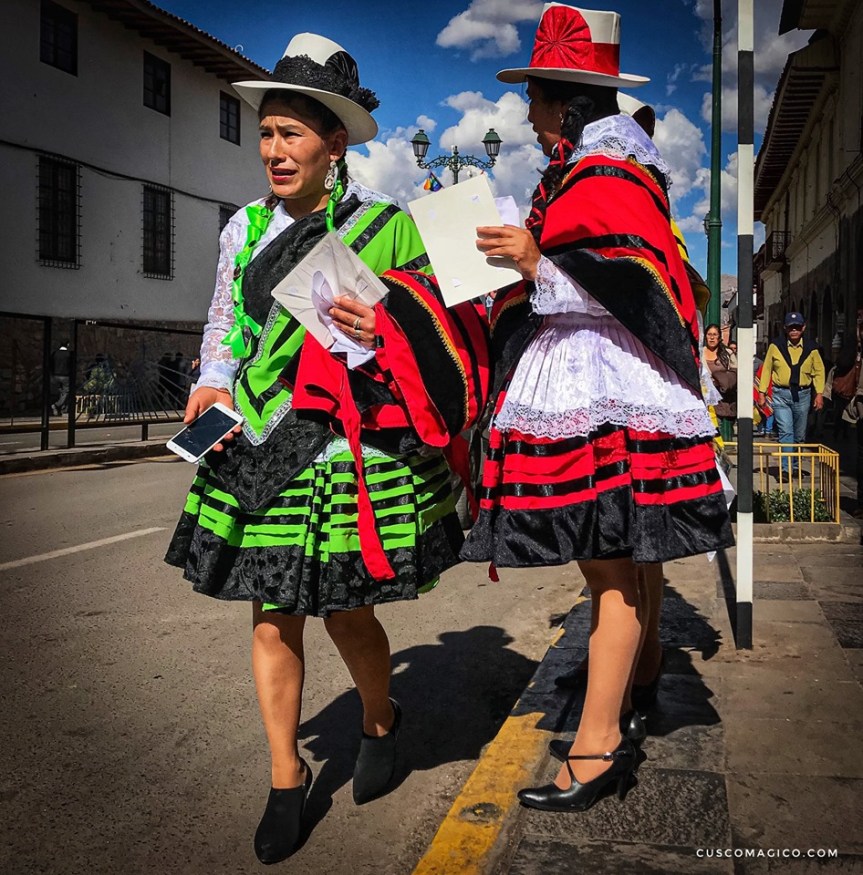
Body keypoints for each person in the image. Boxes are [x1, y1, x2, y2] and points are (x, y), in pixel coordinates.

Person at [164, 34, 487, 864]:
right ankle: (284, 775)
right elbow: (225, 325)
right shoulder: (244, 228)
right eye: (266, 133)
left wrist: (388, 323)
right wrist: (213, 381)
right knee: (272, 614)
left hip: (348, 445)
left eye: (291, 134)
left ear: (333, 143)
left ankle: (380, 719)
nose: (274, 150)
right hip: (263, 438)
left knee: (347, 613)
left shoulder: (386, 225)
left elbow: (449, 326)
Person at [460, 3, 733, 812]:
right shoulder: (611, 166)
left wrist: (533, 261)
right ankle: (637, 677)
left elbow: (622, 286)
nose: (527, 117)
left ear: (564, 104)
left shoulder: (603, 172)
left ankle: (597, 744)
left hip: (601, 380)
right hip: (617, 381)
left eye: (534, 101)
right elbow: (628, 273)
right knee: (631, 556)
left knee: (607, 567)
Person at [757, 311, 825, 473]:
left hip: (803, 395)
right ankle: (786, 469)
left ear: (803, 328)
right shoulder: (776, 346)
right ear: (785, 328)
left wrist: (819, 394)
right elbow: (767, 370)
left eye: (797, 327)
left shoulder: (812, 348)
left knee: (799, 435)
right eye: (791, 327)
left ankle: (794, 465)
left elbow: (819, 371)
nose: (794, 330)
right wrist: (762, 393)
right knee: (786, 432)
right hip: (780, 394)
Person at [703, 323, 738, 440]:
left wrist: (722, 380)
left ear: (719, 337)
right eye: (709, 334)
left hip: (725, 399)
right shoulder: (700, 352)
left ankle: (724, 448)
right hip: (706, 399)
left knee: (721, 431)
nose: (712, 338)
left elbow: (735, 372)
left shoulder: (728, 353)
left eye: (715, 334)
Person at [50, 343, 70, 416]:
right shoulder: (69, 354)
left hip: (55, 375)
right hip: (65, 376)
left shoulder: (55, 353)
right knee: (66, 392)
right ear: (67, 345)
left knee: (59, 392)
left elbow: (51, 364)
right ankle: (57, 405)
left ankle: (60, 409)